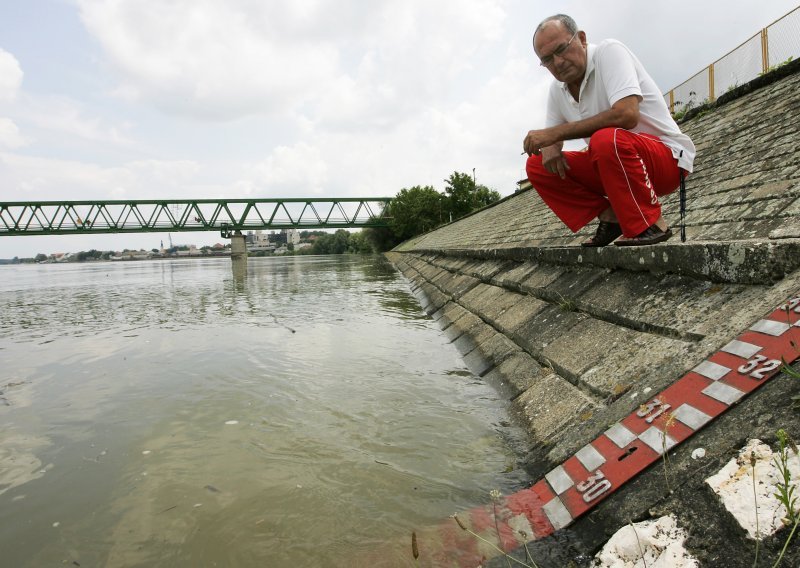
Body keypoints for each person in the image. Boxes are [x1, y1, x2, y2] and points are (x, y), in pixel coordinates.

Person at [523, 14, 695, 246]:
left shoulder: (609, 52)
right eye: (548, 60)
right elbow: (552, 136)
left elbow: (627, 114)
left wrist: (556, 134)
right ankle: (611, 217)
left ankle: (652, 223)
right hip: (615, 167)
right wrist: (550, 146)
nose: (558, 62)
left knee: (605, 138)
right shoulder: (558, 89)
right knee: (536, 165)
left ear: (581, 39)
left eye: (562, 49)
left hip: (666, 159)